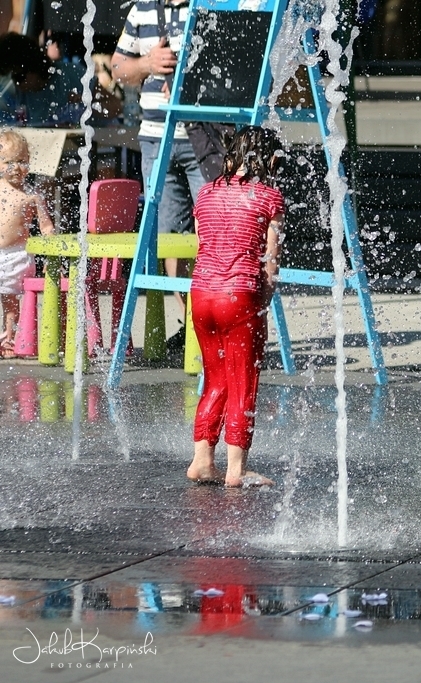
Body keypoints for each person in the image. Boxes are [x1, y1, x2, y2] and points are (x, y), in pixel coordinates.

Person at [185, 126, 284, 488]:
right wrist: (265, 296)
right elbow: (270, 259)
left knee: (215, 378)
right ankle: (236, 470)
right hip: (239, 296)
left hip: (201, 294)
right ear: (270, 160)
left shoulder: (206, 193)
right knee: (243, 382)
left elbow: (203, 243)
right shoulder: (270, 197)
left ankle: (201, 461)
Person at [111, 0, 199, 349]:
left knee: (218, 231)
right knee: (169, 236)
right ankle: (195, 326)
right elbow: (118, 68)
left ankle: (215, 323)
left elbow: (240, 64)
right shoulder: (142, 9)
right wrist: (147, 63)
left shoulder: (210, 6)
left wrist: (188, 81)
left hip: (205, 138)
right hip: (154, 139)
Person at [0, 129, 54, 357]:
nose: (15, 168)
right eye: (8, 162)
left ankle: (10, 339)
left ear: (29, 162)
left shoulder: (31, 196)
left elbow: (46, 228)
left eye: (21, 162)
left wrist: (52, 253)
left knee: (10, 301)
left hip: (17, 256)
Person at [0, 32, 121, 127]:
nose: (16, 84)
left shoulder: (72, 75)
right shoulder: (14, 94)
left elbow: (115, 107)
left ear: (33, 65)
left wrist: (87, 104)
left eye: (19, 77)